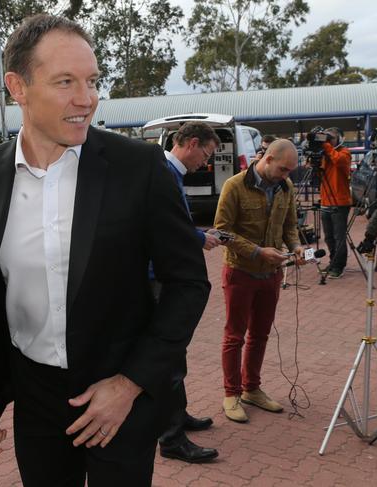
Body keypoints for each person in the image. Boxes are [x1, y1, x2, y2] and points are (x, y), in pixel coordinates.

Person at [0, 14, 210, 487]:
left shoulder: (137, 167)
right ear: (17, 87)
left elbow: (188, 283)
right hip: (36, 397)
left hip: (119, 398)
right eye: (65, 82)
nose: (85, 99)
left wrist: (130, 384)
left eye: (91, 81)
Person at [214, 139, 305, 423]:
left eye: (290, 171)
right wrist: (257, 251)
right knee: (234, 336)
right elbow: (221, 232)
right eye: (283, 169)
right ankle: (232, 394)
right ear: (266, 159)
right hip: (240, 272)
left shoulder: (285, 188)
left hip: (271, 275)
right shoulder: (234, 186)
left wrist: (296, 245)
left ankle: (251, 388)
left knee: (260, 335)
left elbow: (290, 225)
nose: (286, 176)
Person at [157, 122, 221, 463]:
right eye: (206, 154)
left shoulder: (170, 172)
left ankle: (177, 418)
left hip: (167, 274)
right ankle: (170, 438)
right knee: (166, 355)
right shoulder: (165, 173)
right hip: (161, 277)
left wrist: (198, 233)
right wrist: (199, 238)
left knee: (175, 352)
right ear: (192, 143)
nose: (206, 163)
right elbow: (167, 225)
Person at [319, 127, 352, 279]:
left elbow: (339, 161)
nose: (328, 140)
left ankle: (339, 266)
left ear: (339, 138)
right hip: (325, 200)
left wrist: (326, 146)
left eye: (331, 137)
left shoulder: (344, 152)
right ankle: (333, 261)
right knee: (328, 237)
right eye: (326, 137)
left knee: (339, 237)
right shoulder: (323, 154)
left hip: (340, 202)